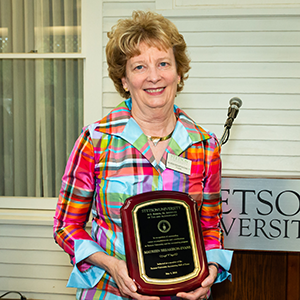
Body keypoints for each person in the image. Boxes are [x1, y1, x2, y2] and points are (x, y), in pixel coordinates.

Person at [53, 10, 233, 300]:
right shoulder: (96, 141)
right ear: (124, 80)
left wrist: (211, 267)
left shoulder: (205, 145)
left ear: (178, 72)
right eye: (139, 67)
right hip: (109, 291)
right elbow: (66, 226)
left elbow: (210, 226)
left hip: (183, 294)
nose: (154, 77)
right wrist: (111, 265)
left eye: (163, 63)